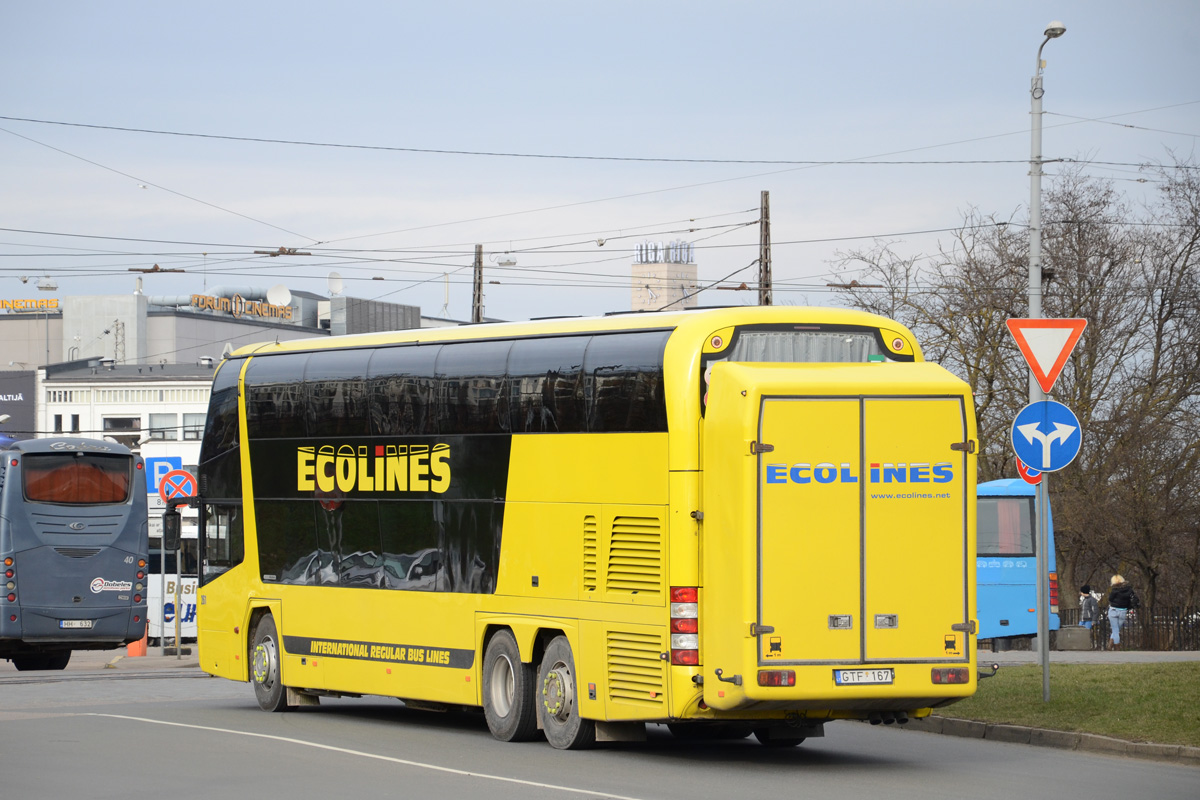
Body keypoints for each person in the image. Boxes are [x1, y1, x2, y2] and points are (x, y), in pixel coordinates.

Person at [1107, 574, 1135, 650]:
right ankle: (1110, 644)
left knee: (1115, 629)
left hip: (1113, 610)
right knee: (1116, 629)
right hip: (1123, 611)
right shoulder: (1129, 589)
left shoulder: (1114, 590)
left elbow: (1110, 599)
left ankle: (1116, 646)